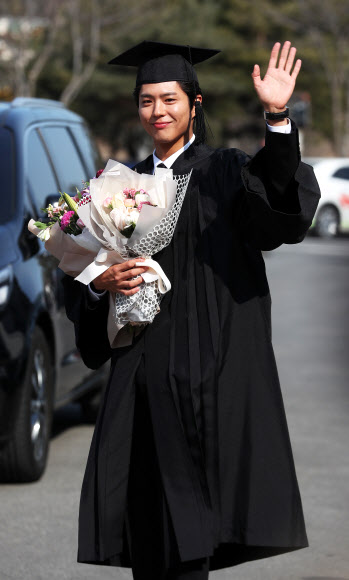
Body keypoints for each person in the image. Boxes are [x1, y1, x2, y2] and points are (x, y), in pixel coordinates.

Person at [62, 40, 321, 580]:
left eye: (170, 99)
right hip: (142, 382)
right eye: (147, 101)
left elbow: (281, 207)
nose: (159, 111)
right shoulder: (115, 189)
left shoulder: (224, 172)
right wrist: (99, 281)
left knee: (193, 539)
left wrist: (277, 117)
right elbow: (80, 285)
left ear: (195, 103)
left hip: (209, 378)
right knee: (149, 534)